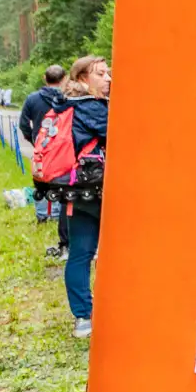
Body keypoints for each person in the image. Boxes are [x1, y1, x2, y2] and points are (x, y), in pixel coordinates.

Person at [59, 56, 111, 337]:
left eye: (108, 73)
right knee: (114, 251)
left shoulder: (66, 104)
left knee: (80, 253)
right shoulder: (92, 107)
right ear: (82, 78)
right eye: (100, 74)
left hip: (76, 189)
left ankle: (83, 317)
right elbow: (126, 136)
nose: (108, 79)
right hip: (98, 189)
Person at [21, 66, 70, 256]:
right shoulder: (68, 98)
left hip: (41, 146)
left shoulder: (32, 99)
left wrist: (34, 140)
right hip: (63, 148)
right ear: (64, 78)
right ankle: (58, 214)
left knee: (40, 179)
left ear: (44, 78)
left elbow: (23, 124)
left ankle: (42, 215)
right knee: (62, 179)